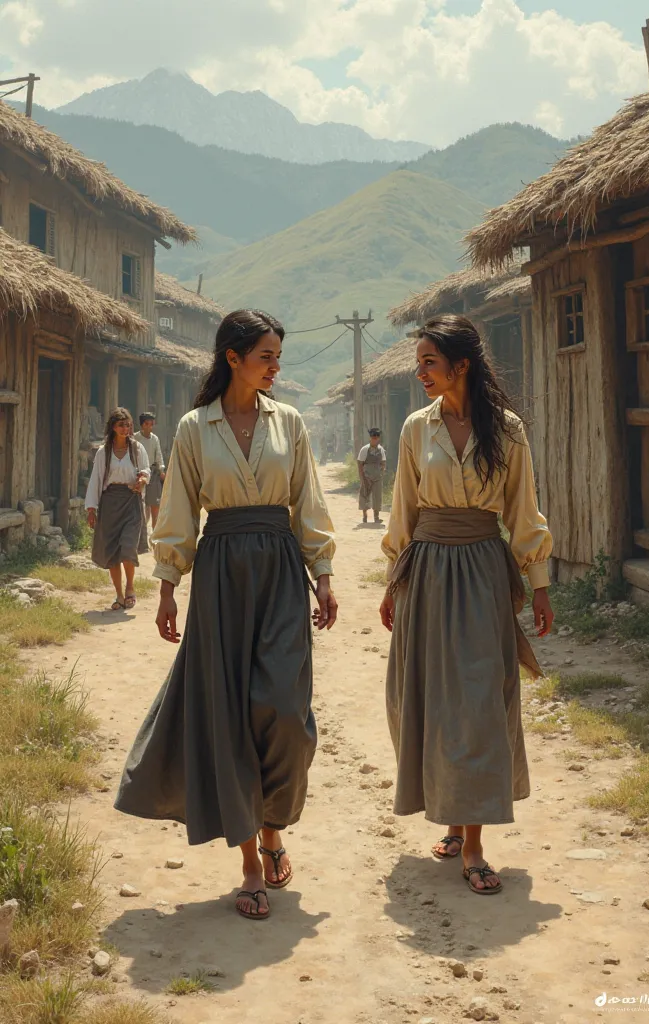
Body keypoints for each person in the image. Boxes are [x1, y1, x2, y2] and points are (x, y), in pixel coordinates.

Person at [115, 309, 338, 922]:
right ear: (233, 358)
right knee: (231, 714)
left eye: (277, 357)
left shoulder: (288, 422)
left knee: (285, 712)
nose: (275, 366)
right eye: (266, 356)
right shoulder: (193, 428)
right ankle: (249, 860)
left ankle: (274, 826)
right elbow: (180, 511)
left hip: (279, 571)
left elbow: (308, 503)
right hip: (220, 574)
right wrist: (166, 585)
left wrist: (322, 575)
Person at [379, 314, 553, 896]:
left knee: (479, 700)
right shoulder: (413, 429)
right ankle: (455, 819)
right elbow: (402, 511)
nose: (420, 370)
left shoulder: (507, 430)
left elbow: (524, 514)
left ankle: (473, 844)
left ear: (462, 365)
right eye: (420, 360)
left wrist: (541, 584)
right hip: (426, 571)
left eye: (430, 361)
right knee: (428, 700)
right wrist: (390, 582)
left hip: (481, 571)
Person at [85, 408, 150, 611]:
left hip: (131, 501)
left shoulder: (137, 448)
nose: (125, 428)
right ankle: (119, 595)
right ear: (113, 427)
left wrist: (142, 479)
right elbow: (96, 480)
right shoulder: (103, 452)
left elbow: (146, 469)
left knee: (128, 547)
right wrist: (91, 509)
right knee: (112, 550)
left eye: (128, 425)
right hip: (110, 503)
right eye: (121, 425)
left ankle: (130, 588)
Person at [134, 412, 166, 529]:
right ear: (142, 425)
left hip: (152, 472)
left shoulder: (155, 439)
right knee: (142, 504)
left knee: (154, 504)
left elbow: (158, 455)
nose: (149, 427)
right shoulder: (135, 438)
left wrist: (161, 470)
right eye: (147, 424)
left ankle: (155, 536)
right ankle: (142, 532)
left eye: (151, 424)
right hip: (139, 472)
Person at [357, 428, 386, 525]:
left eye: (377, 438)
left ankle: (376, 517)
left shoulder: (381, 449)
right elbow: (360, 463)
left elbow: (383, 462)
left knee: (377, 496)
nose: (376, 439)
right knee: (365, 495)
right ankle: (365, 516)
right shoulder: (364, 449)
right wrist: (362, 477)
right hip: (367, 476)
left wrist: (382, 471)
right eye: (374, 437)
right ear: (370, 438)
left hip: (377, 476)